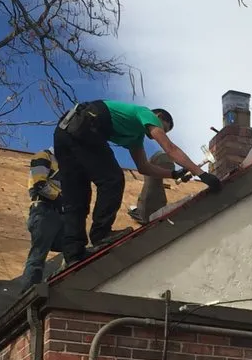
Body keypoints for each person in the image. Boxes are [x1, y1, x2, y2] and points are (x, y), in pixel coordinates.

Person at [53, 100, 222, 266]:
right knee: (113, 179)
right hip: (86, 124)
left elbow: (144, 167)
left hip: (65, 133)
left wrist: (173, 173)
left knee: (76, 196)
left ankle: (73, 253)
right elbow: (169, 148)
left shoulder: (135, 138)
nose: (162, 132)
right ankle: (101, 235)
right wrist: (201, 174)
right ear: (159, 116)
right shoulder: (146, 113)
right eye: (164, 128)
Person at [20, 148, 64, 287]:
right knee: (38, 255)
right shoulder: (44, 156)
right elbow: (40, 184)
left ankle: (59, 282)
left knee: (72, 247)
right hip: (44, 211)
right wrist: (61, 199)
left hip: (57, 213)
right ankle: (28, 292)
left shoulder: (65, 163)